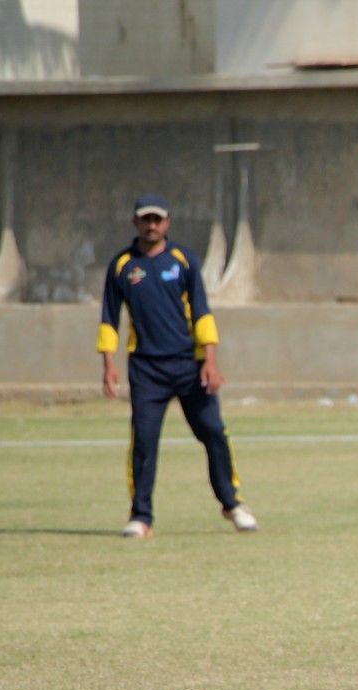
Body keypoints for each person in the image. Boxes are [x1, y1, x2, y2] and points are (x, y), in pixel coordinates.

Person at [96, 194, 256, 538]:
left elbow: (202, 313)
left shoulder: (183, 261)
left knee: (213, 431)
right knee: (144, 440)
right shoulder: (122, 266)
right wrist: (108, 365)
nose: (152, 226)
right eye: (146, 219)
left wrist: (210, 361)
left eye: (158, 219)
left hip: (189, 365)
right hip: (146, 369)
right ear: (135, 222)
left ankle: (232, 503)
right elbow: (109, 318)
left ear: (167, 222)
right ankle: (141, 517)